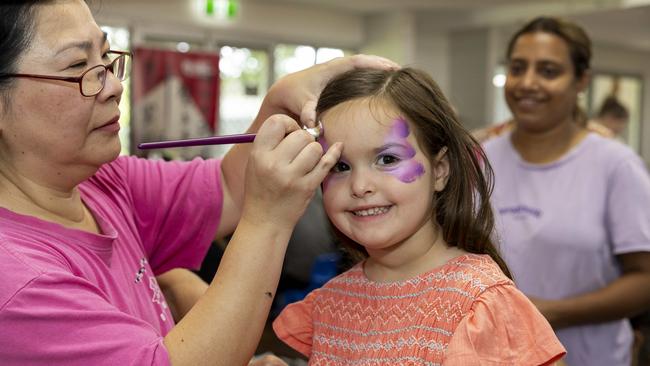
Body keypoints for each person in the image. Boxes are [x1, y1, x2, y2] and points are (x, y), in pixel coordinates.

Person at [0, 1, 399, 365]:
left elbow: (226, 189)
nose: (114, 86)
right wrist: (269, 221)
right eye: (77, 67)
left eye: (106, 58)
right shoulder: (16, 281)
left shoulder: (103, 181)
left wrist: (278, 103)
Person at [272, 67, 566, 365]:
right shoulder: (330, 303)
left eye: (387, 159)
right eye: (340, 167)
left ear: (440, 170)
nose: (360, 187)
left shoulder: (479, 302)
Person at [483, 16, 650, 366]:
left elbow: (645, 279)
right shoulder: (482, 161)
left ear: (581, 82)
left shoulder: (615, 166)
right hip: (496, 356)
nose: (528, 83)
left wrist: (551, 312)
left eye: (548, 71)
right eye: (518, 68)